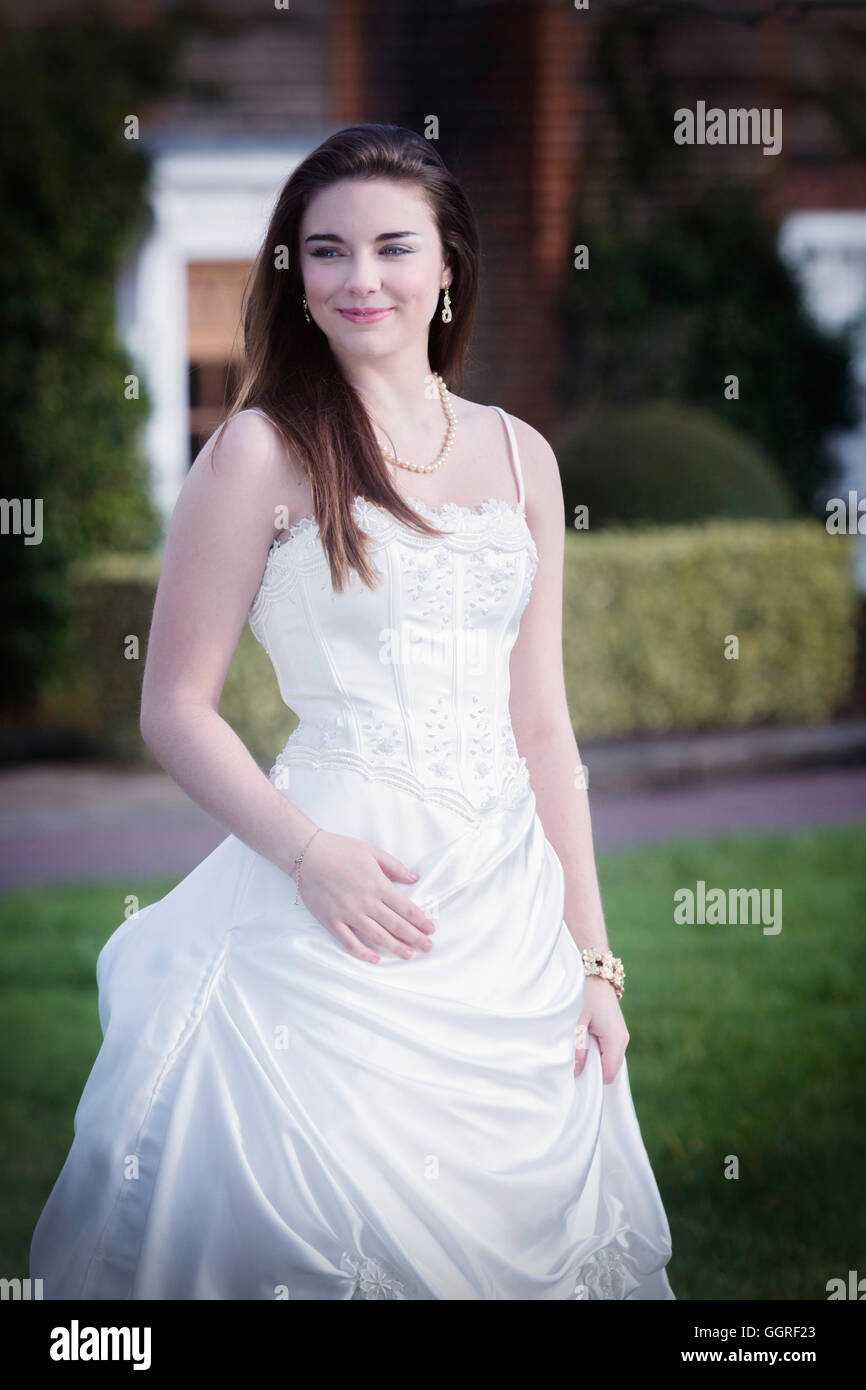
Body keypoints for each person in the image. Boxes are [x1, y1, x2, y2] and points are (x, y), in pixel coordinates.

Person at [30, 123, 674, 1300]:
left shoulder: (523, 458)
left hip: (502, 907)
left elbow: (542, 726)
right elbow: (173, 707)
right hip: (324, 898)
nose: (358, 278)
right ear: (296, 275)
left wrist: (593, 959)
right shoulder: (258, 455)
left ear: (447, 267)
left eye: (390, 247)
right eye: (325, 252)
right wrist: (310, 855)